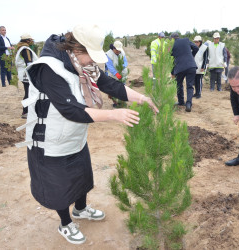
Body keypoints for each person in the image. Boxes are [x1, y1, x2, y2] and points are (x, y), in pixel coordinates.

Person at [15, 24, 158, 245]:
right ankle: (65, 223)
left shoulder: (82, 66)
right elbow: (70, 109)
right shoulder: (48, 68)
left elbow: (109, 84)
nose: (94, 62)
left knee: (81, 177)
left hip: (73, 136)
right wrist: (113, 115)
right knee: (59, 186)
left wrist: (142, 98)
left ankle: (81, 209)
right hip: (50, 140)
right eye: (91, 56)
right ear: (77, 49)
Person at [170, 32, 198, 112]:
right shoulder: (186, 40)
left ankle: (181, 101)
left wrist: (172, 72)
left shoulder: (172, 45)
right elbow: (196, 48)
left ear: (172, 38)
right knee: (189, 86)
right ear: (178, 37)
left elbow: (171, 60)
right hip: (191, 66)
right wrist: (191, 56)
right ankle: (188, 104)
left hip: (180, 68)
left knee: (179, 84)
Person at [15, 33, 38, 119]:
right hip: (27, 74)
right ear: (27, 41)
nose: (32, 41)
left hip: (23, 73)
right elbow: (29, 62)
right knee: (28, 93)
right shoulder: (25, 49)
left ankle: (27, 111)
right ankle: (25, 112)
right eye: (31, 40)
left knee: (28, 92)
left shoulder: (21, 48)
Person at [105, 41, 128, 107]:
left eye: (119, 50)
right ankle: (115, 102)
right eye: (117, 50)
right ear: (113, 48)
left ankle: (122, 102)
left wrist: (122, 66)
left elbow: (125, 62)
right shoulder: (109, 54)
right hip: (112, 74)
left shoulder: (122, 52)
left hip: (122, 73)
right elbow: (109, 66)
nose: (118, 51)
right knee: (112, 90)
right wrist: (116, 73)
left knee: (122, 88)